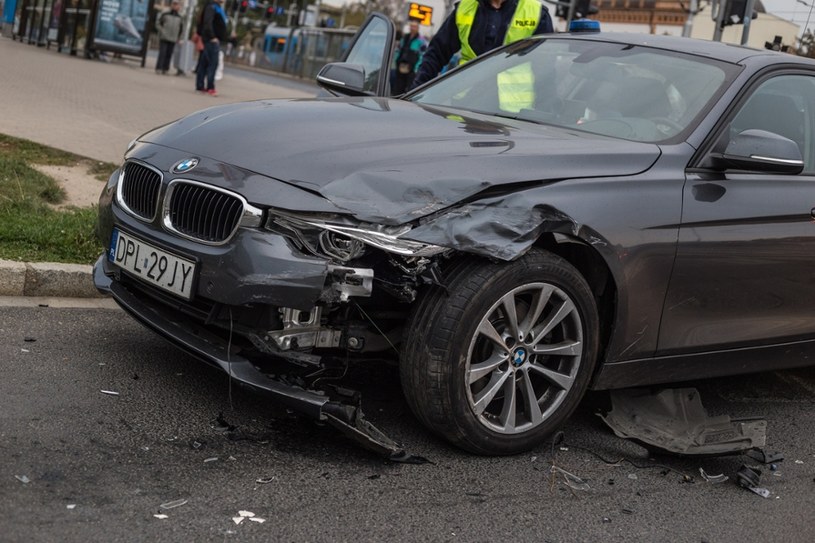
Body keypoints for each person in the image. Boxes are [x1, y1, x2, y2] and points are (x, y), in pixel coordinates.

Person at [410, 0, 553, 90]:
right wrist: (416, 90)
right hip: (465, 104)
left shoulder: (537, 13)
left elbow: (546, 68)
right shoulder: (465, 7)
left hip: (512, 116)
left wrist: (549, 109)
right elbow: (436, 53)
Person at [195, 0, 228, 96]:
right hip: (211, 40)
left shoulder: (215, 7)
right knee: (212, 64)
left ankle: (200, 86)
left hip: (211, 39)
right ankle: (210, 87)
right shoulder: (212, 7)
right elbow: (207, 23)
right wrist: (212, 37)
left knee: (205, 63)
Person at [391, 20, 427, 95]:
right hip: (400, 67)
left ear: (418, 28)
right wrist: (396, 60)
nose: (412, 28)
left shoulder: (421, 41)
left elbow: (422, 55)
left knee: (409, 90)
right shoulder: (404, 38)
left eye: (414, 26)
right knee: (397, 89)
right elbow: (398, 50)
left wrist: (416, 68)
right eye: (411, 26)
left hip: (412, 70)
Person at [156, 1, 184, 75]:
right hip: (164, 37)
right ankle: (159, 68)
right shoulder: (165, 14)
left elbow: (181, 28)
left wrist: (179, 38)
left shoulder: (180, 17)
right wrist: (162, 31)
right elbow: (158, 23)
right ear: (171, 5)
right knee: (162, 53)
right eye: (174, 4)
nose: (175, 6)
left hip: (173, 38)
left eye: (177, 4)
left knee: (169, 54)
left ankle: (165, 68)